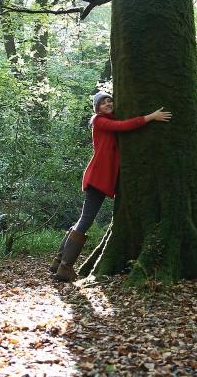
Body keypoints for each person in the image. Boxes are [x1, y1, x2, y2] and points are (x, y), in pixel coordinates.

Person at [51, 91, 171, 281]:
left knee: (83, 219)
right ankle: (65, 267)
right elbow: (124, 126)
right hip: (97, 178)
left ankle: (58, 262)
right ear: (97, 108)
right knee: (86, 220)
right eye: (103, 102)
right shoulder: (99, 121)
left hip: (99, 178)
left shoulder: (108, 120)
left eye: (110, 101)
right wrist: (151, 117)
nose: (108, 103)